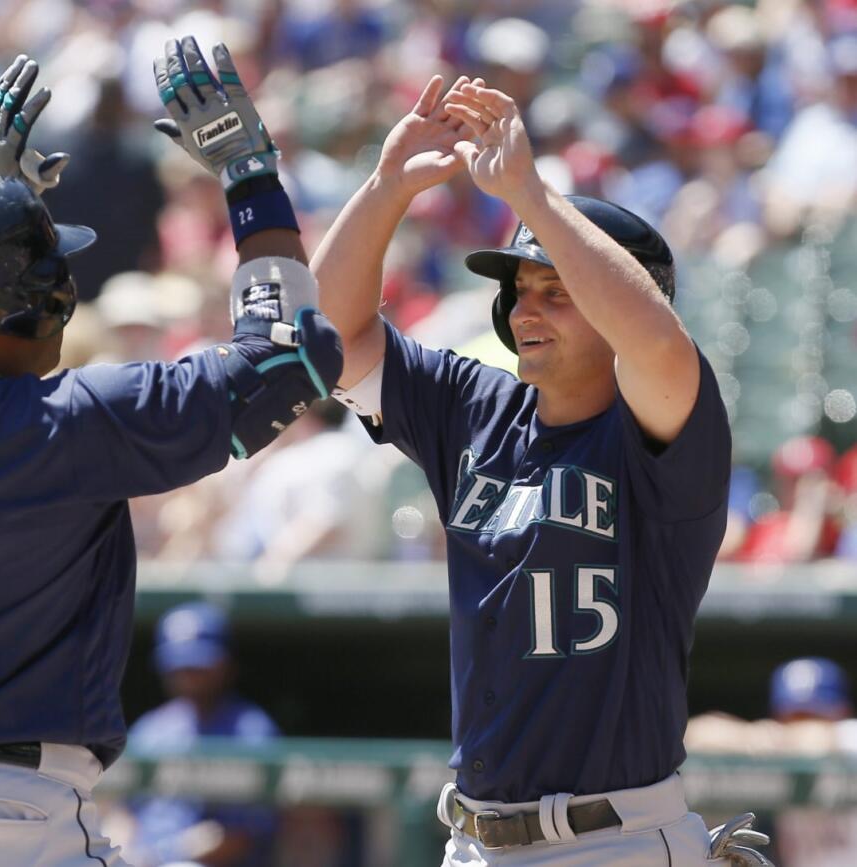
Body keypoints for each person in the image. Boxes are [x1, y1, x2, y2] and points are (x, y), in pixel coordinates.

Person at [0, 40, 342, 867]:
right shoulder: (65, 420)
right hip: (4, 814)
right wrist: (251, 177)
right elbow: (292, 361)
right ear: (45, 302)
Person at [311, 73, 772, 865]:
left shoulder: (661, 428)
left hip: (613, 837)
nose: (525, 310)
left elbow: (656, 344)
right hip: (475, 840)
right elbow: (327, 338)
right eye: (521, 290)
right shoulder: (473, 408)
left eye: (555, 291)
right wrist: (387, 187)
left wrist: (528, 193)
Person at [121, 603, 279, 867]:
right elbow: (123, 812)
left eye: (197, 666)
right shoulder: (150, 729)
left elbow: (243, 836)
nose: (188, 676)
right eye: (180, 666)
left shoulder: (251, 731)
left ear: (224, 665)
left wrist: (162, 854)